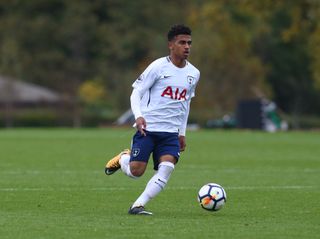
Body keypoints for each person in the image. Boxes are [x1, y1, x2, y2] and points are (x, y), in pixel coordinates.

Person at [105, 24, 200, 215]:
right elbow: (136, 93)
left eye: (189, 43)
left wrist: (182, 133)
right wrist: (139, 116)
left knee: (166, 168)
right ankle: (124, 158)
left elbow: (186, 105)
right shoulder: (158, 67)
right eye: (182, 42)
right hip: (148, 129)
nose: (187, 46)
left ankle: (138, 205)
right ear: (171, 45)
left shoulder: (194, 74)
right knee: (136, 172)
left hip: (171, 133)